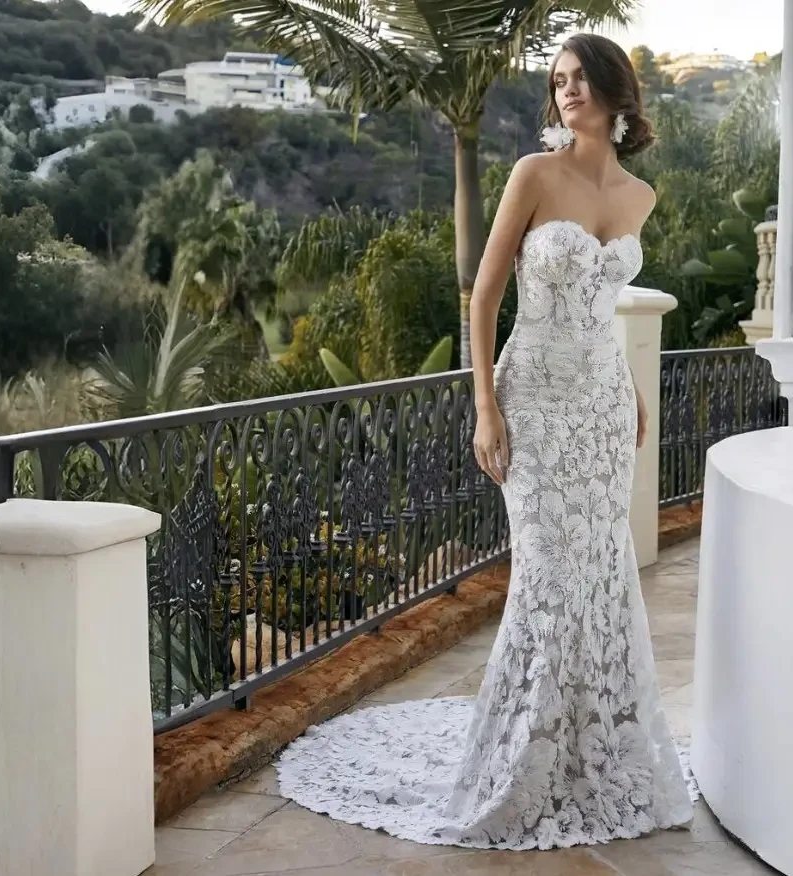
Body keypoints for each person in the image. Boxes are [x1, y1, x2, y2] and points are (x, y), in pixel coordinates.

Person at [275, 33, 695, 851]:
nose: (567, 90)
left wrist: (633, 387)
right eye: (558, 80)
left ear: (615, 89)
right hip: (532, 398)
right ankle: (517, 766)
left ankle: (587, 756)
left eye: (581, 77)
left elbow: (602, 310)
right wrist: (485, 406)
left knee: (599, 578)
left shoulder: (640, 196)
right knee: (545, 576)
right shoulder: (533, 174)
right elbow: (483, 297)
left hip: (603, 408)